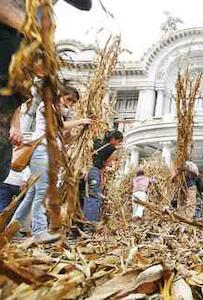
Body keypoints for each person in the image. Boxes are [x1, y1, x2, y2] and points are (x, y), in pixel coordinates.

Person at [0, 0, 92, 183]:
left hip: (8, 103)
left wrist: (15, 124)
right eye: (69, 100)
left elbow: (85, 4)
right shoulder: (47, 107)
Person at [11, 85, 92, 244]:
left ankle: (13, 229)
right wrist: (79, 121)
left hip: (51, 153)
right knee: (42, 191)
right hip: (42, 151)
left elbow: (66, 139)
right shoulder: (47, 105)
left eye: (73, 102)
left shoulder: (62, 115)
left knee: (32, 194)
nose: (70, 104)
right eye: (68, 100)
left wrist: (77, 130)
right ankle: (39, 231)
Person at [83, 130, 123, 223]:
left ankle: (83, 220)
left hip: (84, 170)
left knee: (86, 196)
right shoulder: (112, 149)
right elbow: (105, 164)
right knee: (94, 196)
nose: (119, 144)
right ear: (113, 139)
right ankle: (91, 223)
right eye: (119, 141)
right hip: (93, 172)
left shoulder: (96, 141)